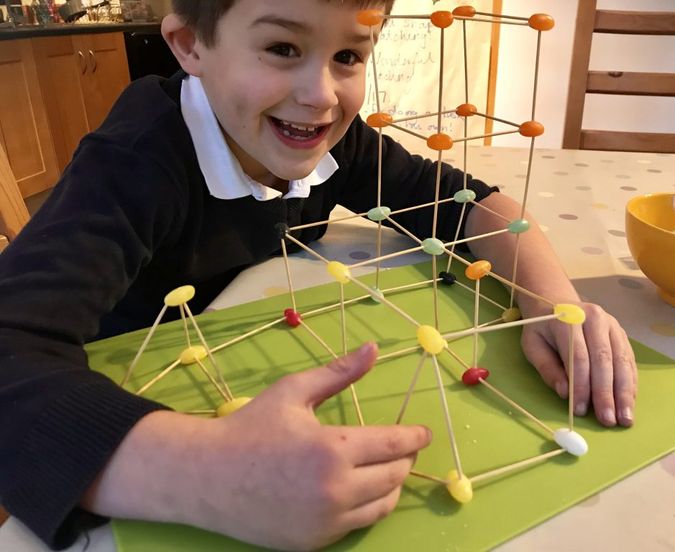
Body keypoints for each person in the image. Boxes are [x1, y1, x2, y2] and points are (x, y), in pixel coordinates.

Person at [0, 0, 637, 550]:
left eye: (349, 56)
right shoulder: (135, 164)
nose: (322, 95)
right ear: (191, 45)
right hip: (121, 396)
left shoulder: (333, 138)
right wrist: (214, 476)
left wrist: (550, 302)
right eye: (282, 47)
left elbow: (469, 201)